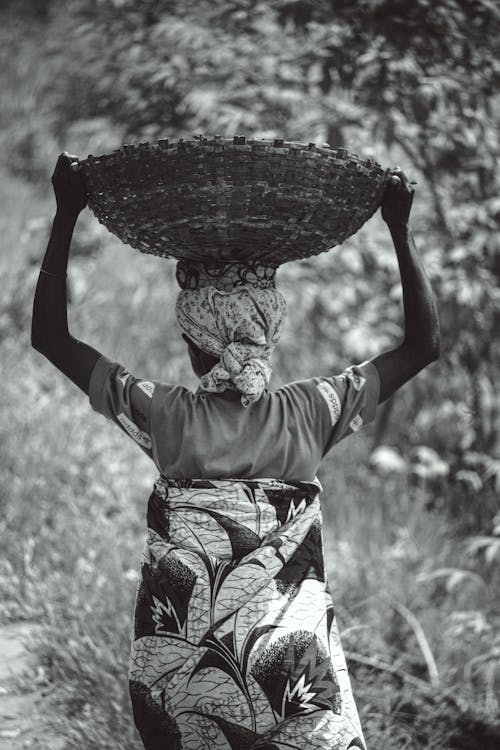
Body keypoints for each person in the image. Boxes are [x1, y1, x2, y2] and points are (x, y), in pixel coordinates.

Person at [31, 152, 440, 750]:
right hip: (293, 670)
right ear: (269, 334)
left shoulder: (163, 415)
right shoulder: (313, 410)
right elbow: (423, 344)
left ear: (193, 344)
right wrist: (399, 228)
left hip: (185, 671)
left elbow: (49, 337)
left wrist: (67, 210)